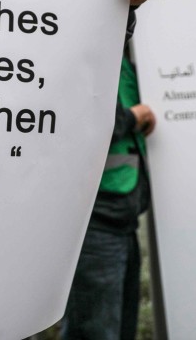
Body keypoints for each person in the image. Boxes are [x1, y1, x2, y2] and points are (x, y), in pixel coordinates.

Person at [62, 55, 155, 340]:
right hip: (94, 223)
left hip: (123, 217)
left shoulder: (127, 52)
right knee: (94, 331)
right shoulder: (89, 41)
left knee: (118, 329)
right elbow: (85, 119)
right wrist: (135, 117)